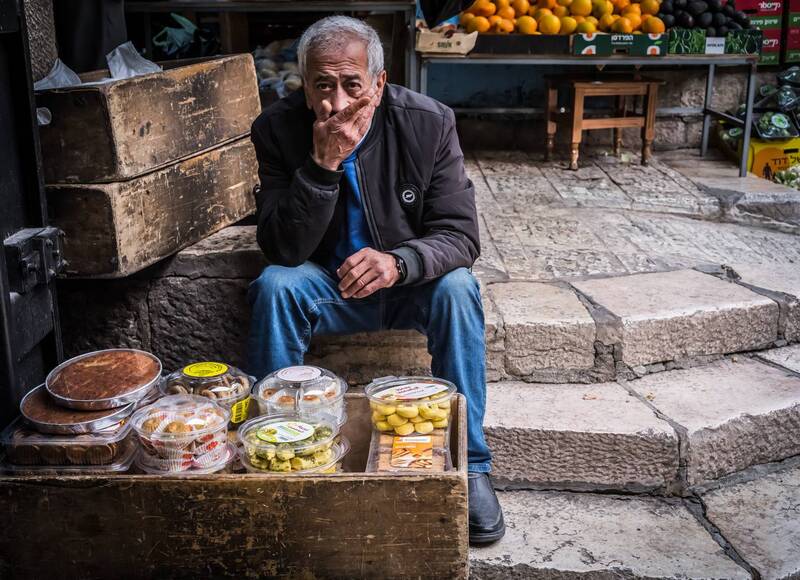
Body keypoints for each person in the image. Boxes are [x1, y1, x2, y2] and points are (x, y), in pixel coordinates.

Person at [247, 15, 505, 545]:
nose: (336, 104)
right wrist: (322, 166)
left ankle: (473, 465)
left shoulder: (428, 122)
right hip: (328, 287)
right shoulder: (276, 128)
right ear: (305, 83)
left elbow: (460, 237)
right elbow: (282, 247)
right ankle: (279, 449)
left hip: (410, 289)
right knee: (276, 283)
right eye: (322, 85)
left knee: (459, 288)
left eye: (351, 85)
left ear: (379, 83)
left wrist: (401, 262)